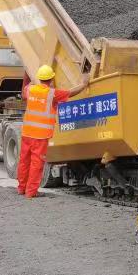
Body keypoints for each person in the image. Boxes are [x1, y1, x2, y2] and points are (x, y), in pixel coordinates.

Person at [18, 65, 88, 199]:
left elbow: (24, 90)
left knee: (24, 161)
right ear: (51, 79)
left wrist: (27, 73)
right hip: (40, 135)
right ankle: (31, 192)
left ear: (39, 78)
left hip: (27, 133)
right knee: (36, 164)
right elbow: (70, 93)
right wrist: (84, 84)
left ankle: (21, 188)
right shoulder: (52, 94)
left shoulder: (30, 89)